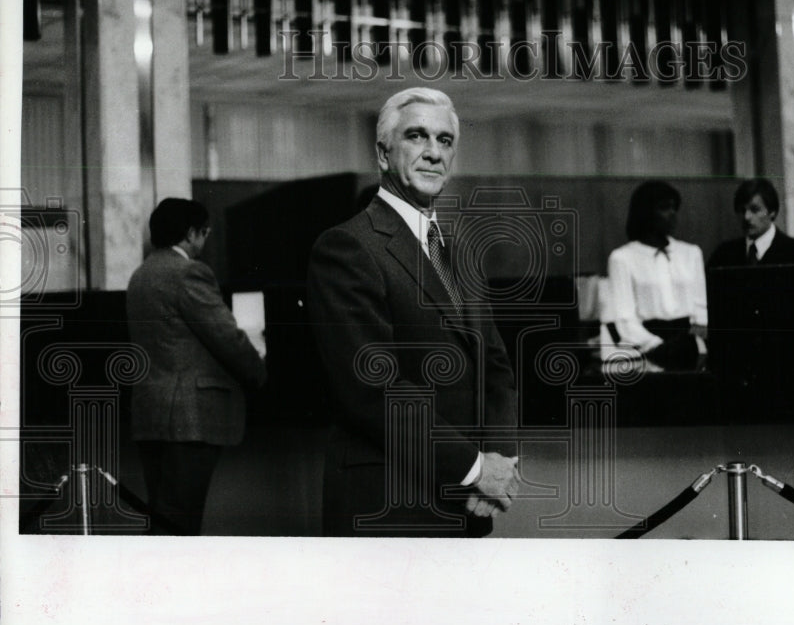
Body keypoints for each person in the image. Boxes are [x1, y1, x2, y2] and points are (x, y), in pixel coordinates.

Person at [307, 88, 519, 537]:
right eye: (417, 136)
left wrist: (500, 457)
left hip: (469, 502)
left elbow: (495, 365)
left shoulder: (459, 251)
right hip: (388, 499)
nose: (433, 153)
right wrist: (474, 467)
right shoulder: (347, 246)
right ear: (383, 154)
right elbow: (372, 387)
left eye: (444, 141)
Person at [126, 198, 267, 535]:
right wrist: (259, 374)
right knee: (182, 522)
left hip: (151, 413)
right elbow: (226, 337)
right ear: (190, 234)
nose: (205, 241)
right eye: (204, 233)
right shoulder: (189, 272)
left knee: (163, 520)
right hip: (190, 418)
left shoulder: (141, 274)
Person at [606, 181, 708, 371]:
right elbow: (624, 317)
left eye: (673, 207)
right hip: (649, 351)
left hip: (689, 347)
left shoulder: (690, 253)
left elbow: (700, 307)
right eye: (663, 208)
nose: (672, 214)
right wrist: (656, 346)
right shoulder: (622, 258)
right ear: (645, 213)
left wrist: (698, 338)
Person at [708, 178, 794, 268]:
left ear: (772, 212)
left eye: (755, 210)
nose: (746, 217)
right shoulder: (723, 254)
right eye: (742, 210)